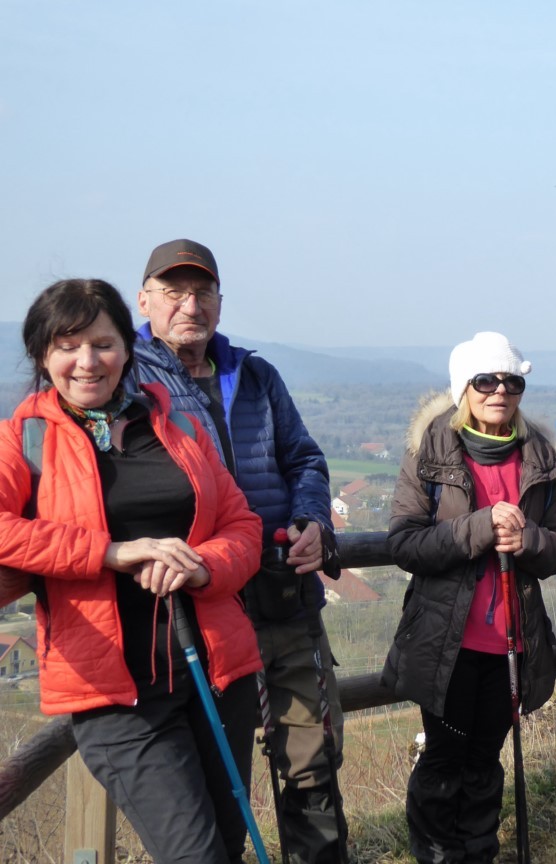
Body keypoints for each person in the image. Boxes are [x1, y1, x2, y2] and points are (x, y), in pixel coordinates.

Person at [0, 279, 264, 864]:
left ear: (128, 346)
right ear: (43, 356)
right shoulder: (24, 439)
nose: (87, 362)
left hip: (216, 675)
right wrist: (109, 552)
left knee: (226, 841)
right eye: (67, 346)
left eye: (103, 343)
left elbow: (242, 526)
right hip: (116, 696)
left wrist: (201, 568)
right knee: (196, 856)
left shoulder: (180, 430)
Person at [130, 239, 347, 864]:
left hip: (283, 600)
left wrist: (311, 521)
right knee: (217, 780)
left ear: (220, 303)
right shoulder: (132, 384)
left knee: (312, 765)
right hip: (200, 614)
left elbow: (304, 458)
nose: (189, 305)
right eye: (173, 293)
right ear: (145, 300)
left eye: (202, 293)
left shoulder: (256, 375)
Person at [383, 331, 556, 864]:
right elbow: (404, 542)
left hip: (513, 639)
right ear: (462, 387)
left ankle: (480, 851)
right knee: (444, 757)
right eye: (486, 380)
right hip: (445, 639)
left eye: (512, 381)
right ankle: (438, 853)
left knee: (486, 759)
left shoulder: (539, 455)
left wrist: (528, 540)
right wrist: (480, 528)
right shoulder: (429, 450)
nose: (500, 391)